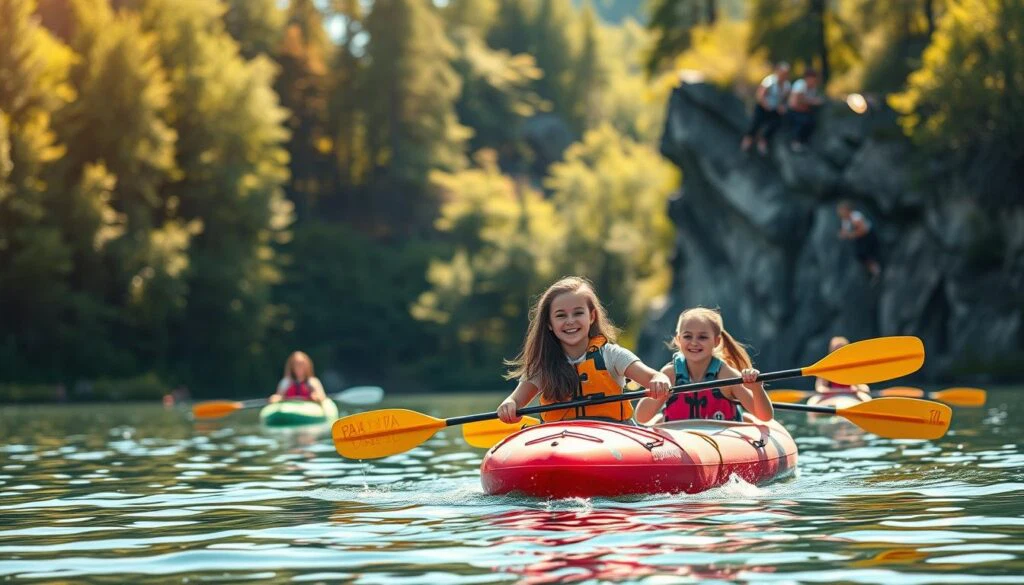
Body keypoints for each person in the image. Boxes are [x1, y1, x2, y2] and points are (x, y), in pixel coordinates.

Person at [496, 276, 671, 424]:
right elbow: (514, 400)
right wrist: (509, 406)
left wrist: (660, 381)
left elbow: (654, 377)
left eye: (578, 313)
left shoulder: (612, 355)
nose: (570, 321)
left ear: (592, 316)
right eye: (561, 315)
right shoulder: (542, 367)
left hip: (614, 437)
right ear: (549, 323)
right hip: (561, 441)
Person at [634, 307, 774, 425]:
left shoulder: (727, 375)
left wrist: (757, 388)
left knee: (748, 420)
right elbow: (641, 417)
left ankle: (743, 418)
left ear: (716, 341)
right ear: (678, 339)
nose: (694, 342)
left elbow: (765, 417)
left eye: (702, 337)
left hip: (723, 440)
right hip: (680, 440)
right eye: (688, 336)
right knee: (659, 422)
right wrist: (657, 390)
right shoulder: (669, 374)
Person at [741, 62, 791, 156]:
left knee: (775, 124)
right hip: (763, 107)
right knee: (756, 123)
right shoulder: (770, 81)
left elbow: (784, 100)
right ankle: (747, 142)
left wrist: (781, 107)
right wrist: (766, 105)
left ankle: (763, 142)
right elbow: (760, 95)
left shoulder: (786, 86)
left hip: (774, 109)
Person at [836, 200, 882, 283]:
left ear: (847, 210)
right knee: (860, 255)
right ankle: (872, 271)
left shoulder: (855, 217)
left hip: (868, 235)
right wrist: (843, 234)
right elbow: (844, 231)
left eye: (841, 210)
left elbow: (863, 230)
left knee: (866, 253)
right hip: (860, 238)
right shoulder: (845, 220)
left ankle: (876, 270)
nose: (839, 213)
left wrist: (850, 235)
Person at [787, 68, 825, 152]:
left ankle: (804, 142)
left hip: (805, 111)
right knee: (801, 121)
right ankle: (795, 142)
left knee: (811, 122)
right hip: (794, 111)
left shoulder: (813, 87)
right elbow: (797, 101)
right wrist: (814, 102)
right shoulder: (800, 84)